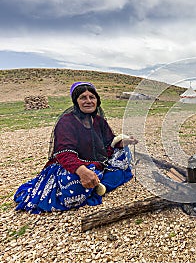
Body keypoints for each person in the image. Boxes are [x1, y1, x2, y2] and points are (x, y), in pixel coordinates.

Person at [14, 82, 138, 214]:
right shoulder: (66, 122)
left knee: (123, 153)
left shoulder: (98, 120)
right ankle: (98, 183)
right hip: (73, 165)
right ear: (76, 101)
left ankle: (97, 183)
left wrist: (123, 142)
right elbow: (64, 153)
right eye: (83, 97)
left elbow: (109, 143)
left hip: (97, 162)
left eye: (92, 97)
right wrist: (82, 171)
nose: (88, 101)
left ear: (97, 100)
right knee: (73, 185)